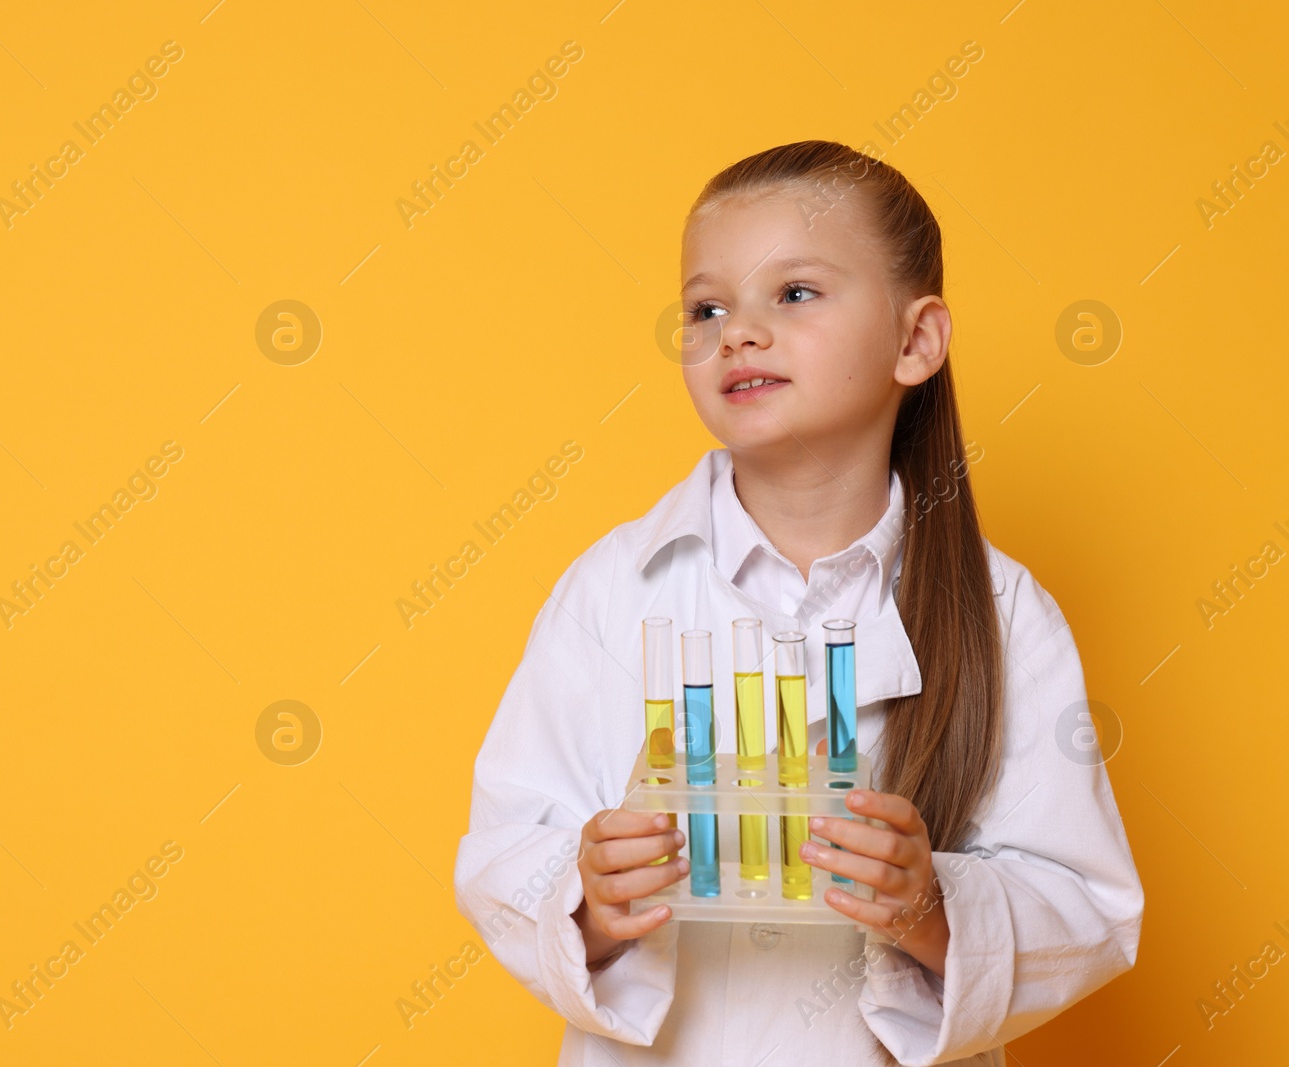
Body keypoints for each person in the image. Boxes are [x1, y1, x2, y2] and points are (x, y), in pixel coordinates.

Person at [452, 140, 1143, 1065]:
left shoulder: (1006, 615)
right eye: (706, 307)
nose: (737, 330)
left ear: (915, 340)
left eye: (795, 293)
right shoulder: (612, 588)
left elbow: (1087, 907)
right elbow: (503, 841)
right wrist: (588, 901)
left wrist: (931, 906)